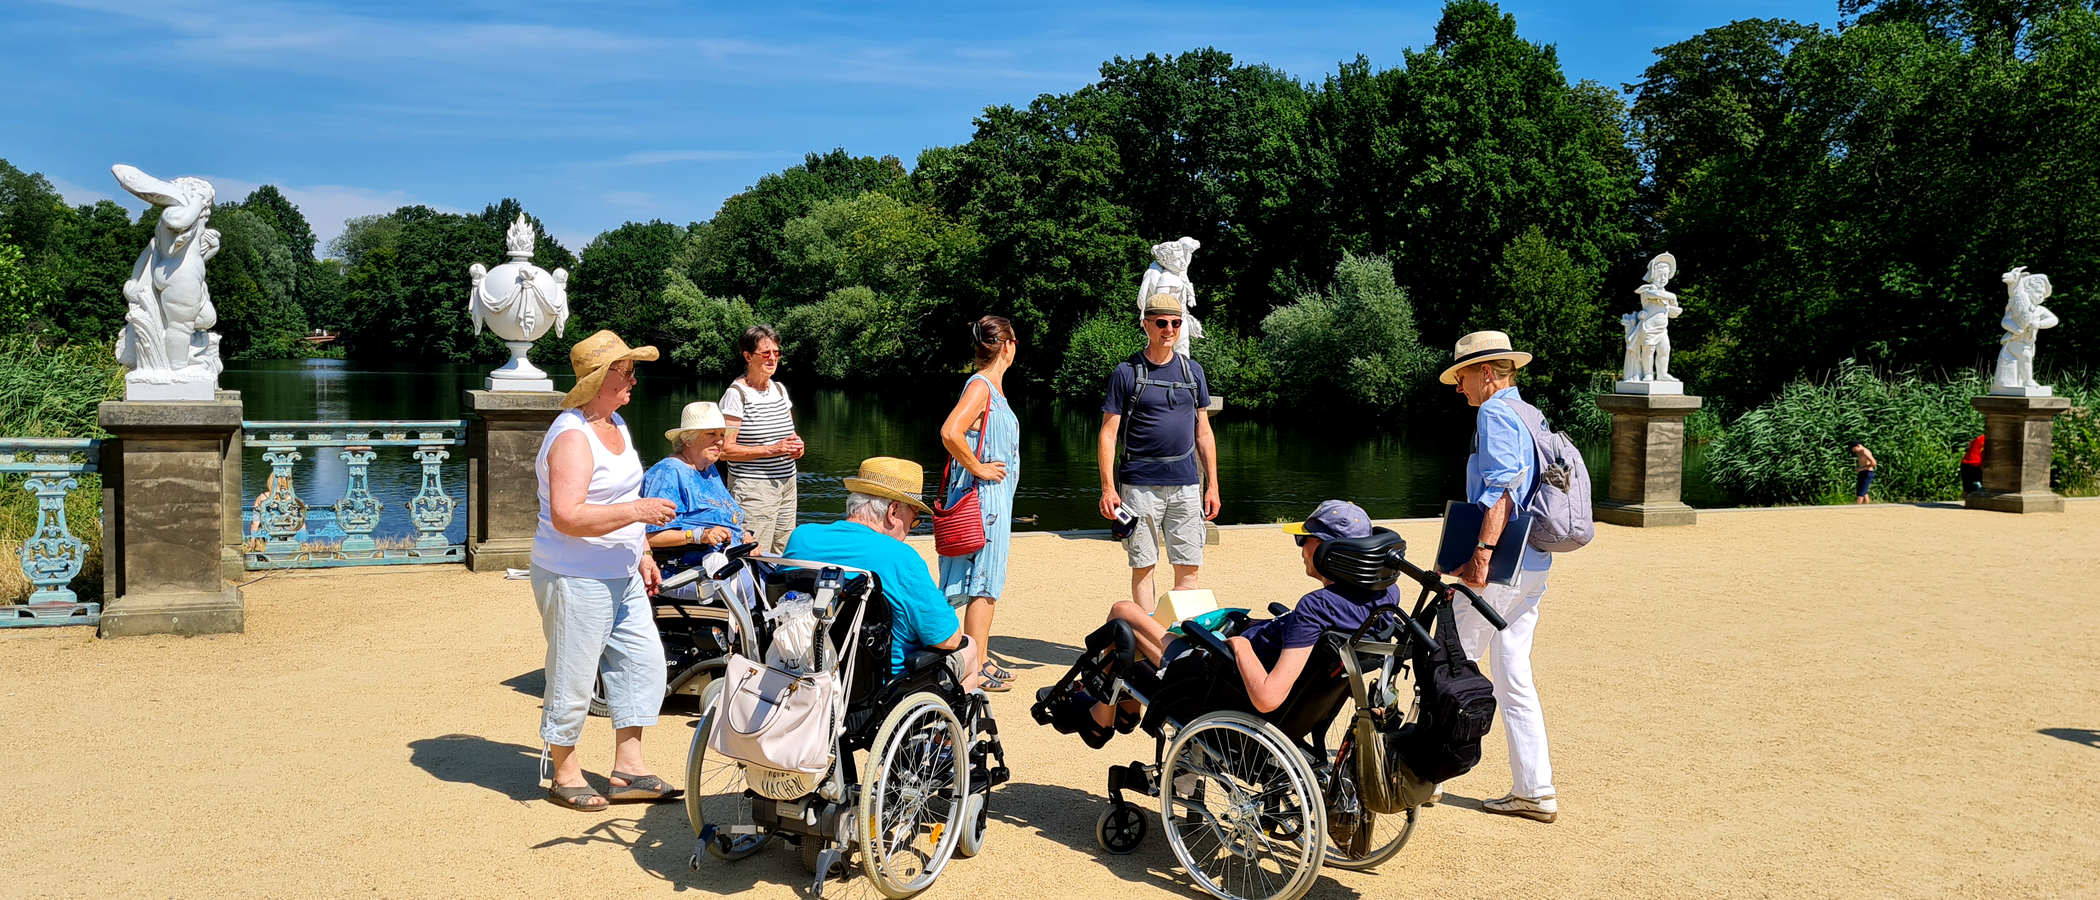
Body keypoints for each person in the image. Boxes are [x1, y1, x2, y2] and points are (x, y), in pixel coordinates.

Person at [1045, 500, 1394, 744]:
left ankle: (1102, 718)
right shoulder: (1383, 599)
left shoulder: (1315, 607)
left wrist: (1240, 645)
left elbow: (1268, 698)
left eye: (1305, 539)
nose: (1300, 546)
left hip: (1220, 675)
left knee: (1124, 615)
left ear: (1327, 551)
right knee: (1170, 618)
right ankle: (1121, 711)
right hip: (1291, 700)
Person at [530, 330, 681, 811]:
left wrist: (642, 553)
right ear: (601, 379)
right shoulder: (573, 436)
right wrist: (638, 513)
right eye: (626, 371)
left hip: (620, 571)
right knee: (573, 676)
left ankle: (628, 771)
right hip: (574, 574)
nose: (634, 379)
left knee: (644, 665)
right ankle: (564, 772)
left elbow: (613, 501)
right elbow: (567, 516)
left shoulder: (615, 423)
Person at [1440, 330, 1558, 823]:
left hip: (1502, 566)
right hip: (1533, 564)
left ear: (1487, 372)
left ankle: (1425, 780)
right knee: (1515, 675)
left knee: (1449, 665)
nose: (1459, 387)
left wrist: (1481, 556)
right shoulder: (1532, 414)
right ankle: (1535, 789)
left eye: (1462, 376)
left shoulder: (1494, 412)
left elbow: (1503, 487)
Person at [783, 457, 981, 688]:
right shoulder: (900, 557)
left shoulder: (802, 537)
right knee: (969, 647)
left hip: (800, 673)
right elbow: (949, 639)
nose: (909, 529)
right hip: (878, 689)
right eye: (914, 519)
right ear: (893, 510)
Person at [1096, 293, 1219, 613]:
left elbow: (1204, 432)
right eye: (1162, 323)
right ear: (1146, 324)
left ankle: (1179, 642)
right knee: (1143, 565)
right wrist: (1108, 488)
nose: (1169, 329)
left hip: (1187, 485)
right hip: (1138, 487)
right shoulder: (1126, 372)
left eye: (1176, 323)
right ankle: (1148, 638)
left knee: (1189, 567)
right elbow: (1108, 435)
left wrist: (1213, 485)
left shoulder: (1194, 373)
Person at [937, 316, 1021, 692]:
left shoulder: (994, 390)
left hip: (993, 500)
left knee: (986, 584)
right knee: (983, 584)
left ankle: (981, 659)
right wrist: (980, 468)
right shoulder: (982, 386)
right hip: (983, 501)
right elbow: (950, 431)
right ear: (1007, 345)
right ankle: (975, 666)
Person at [720, 324, 803, 554]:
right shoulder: (736, 395)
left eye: (776, 353)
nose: (772, 358)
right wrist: (772, 449)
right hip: (754, 488)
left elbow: (790, 434)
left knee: (784, 551)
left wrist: (797, 446)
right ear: (748, 356)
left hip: (787, 484)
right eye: (765, 353)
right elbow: (724, 450)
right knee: (753, 552)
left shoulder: (779, 389)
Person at [642, 401, 746, 551]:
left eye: (722, 435)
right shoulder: (669, 472)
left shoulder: (709, 469)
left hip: (732, 556)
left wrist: (744, 534)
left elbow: (726, 517)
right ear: (687, 439)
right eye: (711, 434)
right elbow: (651, 536)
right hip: (694, 567)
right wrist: (698, 535)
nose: (719, 441)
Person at [1848, 440, 1878, 504]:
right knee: (1864, 491)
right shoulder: (1859, 452)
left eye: (1853, 448)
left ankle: (1857, 507)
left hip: (1867, 473)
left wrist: (1862, 469)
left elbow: (1874, 463)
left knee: (1860, 493)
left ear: (1858, 446)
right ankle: (1867, 506)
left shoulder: (1865, 452)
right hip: (1862, 472)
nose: (1853, 451)